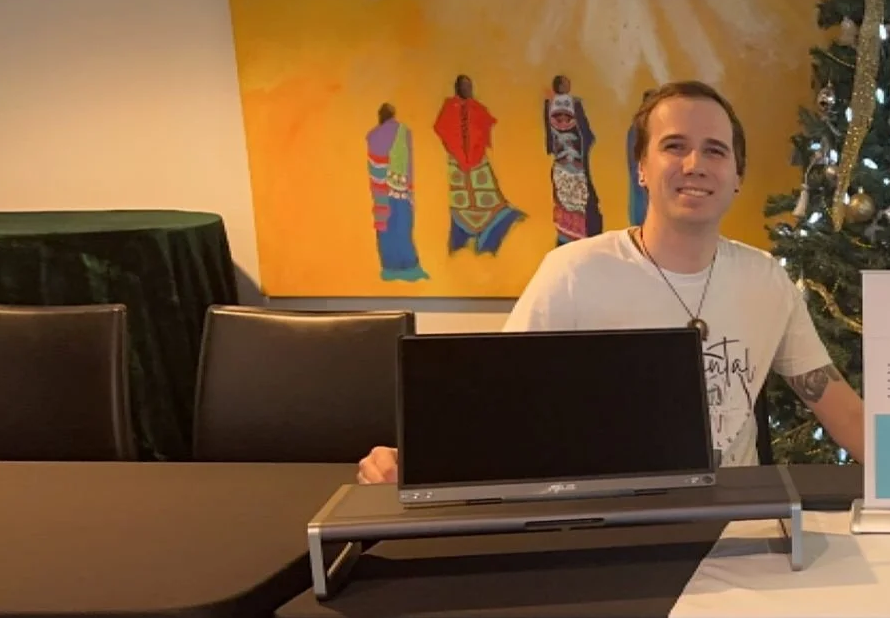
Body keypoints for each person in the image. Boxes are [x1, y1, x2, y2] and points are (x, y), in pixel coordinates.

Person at [357, 80, 864, 484]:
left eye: (715, 151)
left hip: (737, 530)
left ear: (737, 176)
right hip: (611, 526)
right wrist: (411, 460)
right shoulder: (574, 273)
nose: (695, 165)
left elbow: (837, 405)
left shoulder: (766, 279)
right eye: (674, 147)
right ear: (642, 168)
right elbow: (497, 402)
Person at [434, 74, 527, 255]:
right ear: (457, 88)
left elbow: (486, 123)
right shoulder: (448, 107)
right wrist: (456, 151)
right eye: (465, 86)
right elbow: (442, 128)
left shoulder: (477, 108)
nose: (468, 89)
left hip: (478, 162)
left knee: (490, 198)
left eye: (470, 85)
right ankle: (463, 241)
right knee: (461, 203)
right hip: (457, 166)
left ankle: (488, 235)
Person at [365, 103, 428, 282]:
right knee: (402, 226)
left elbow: (373, 166)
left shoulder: (372, 136)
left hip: (381, 191)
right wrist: (411, 192)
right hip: (400, 189)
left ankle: (389, 267)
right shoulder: (404, 132)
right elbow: (408, 166)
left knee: (387, 228)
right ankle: (408, 267)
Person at [544, 75, 603, 245]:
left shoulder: (551, 105)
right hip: (570, 166)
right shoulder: (572, 104)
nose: (563, 121)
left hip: (570, 165)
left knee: (576, 201)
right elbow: (585, 134)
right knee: (573, 201)